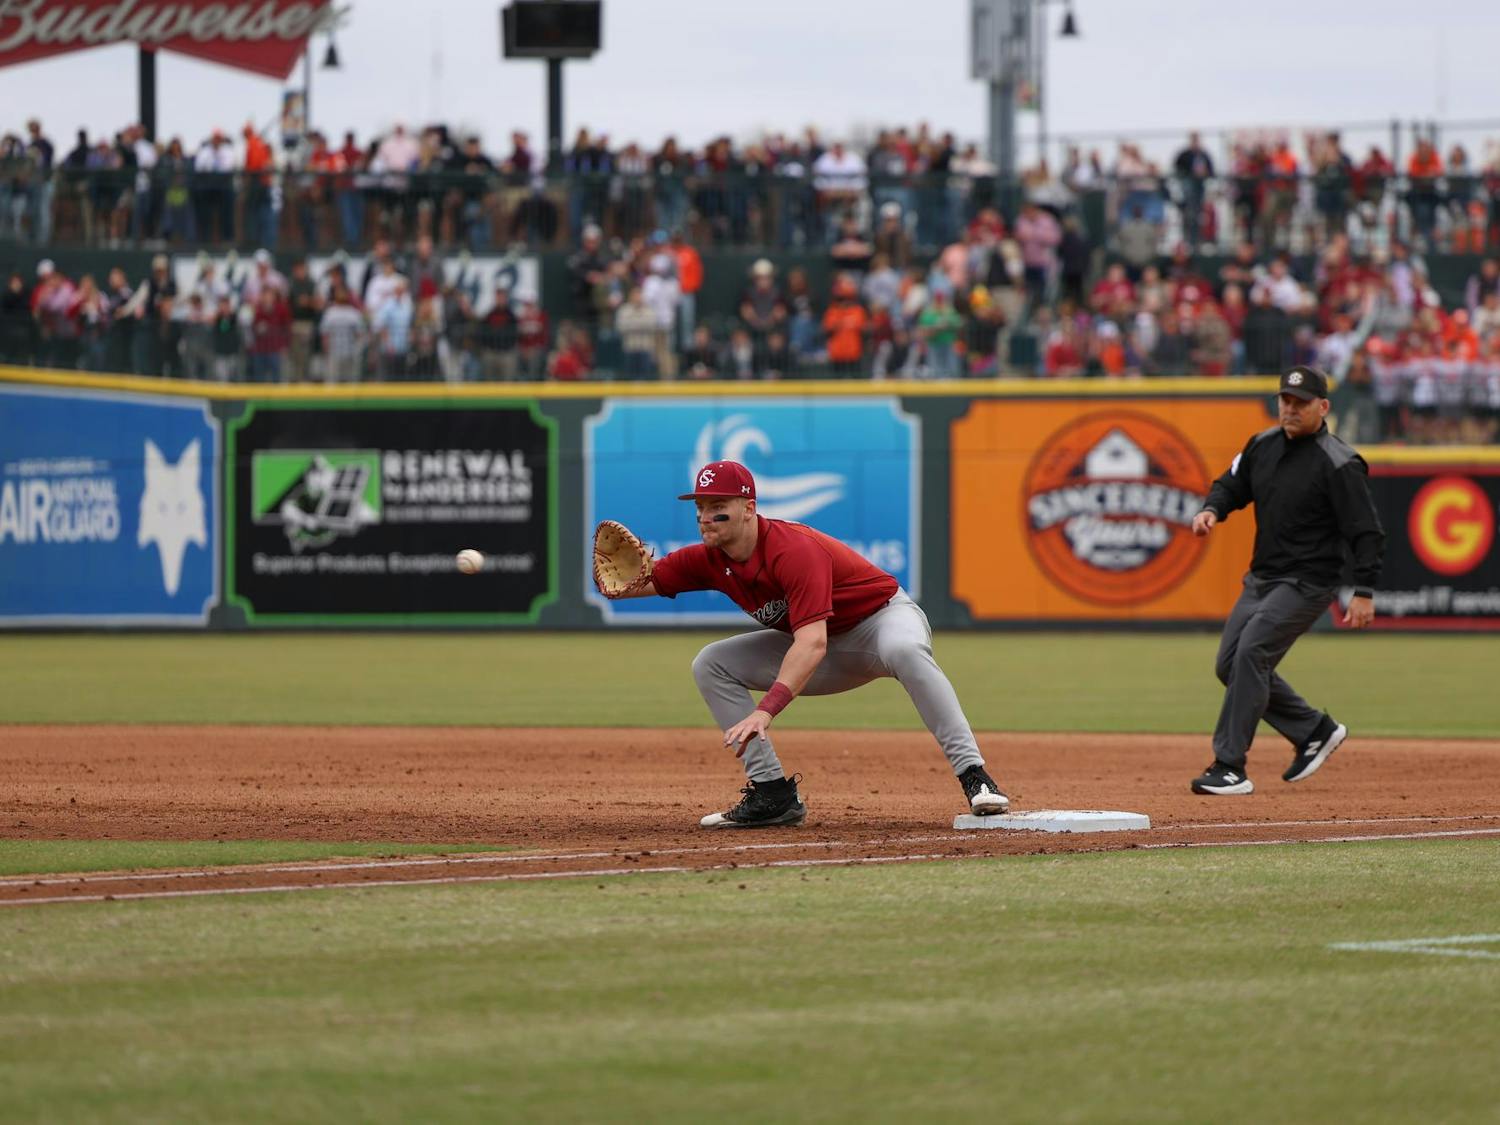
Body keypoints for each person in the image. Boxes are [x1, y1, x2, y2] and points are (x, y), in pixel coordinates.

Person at [599, 460, 1009, 828]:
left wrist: (766, 709)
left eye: (717, 505)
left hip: (880, 622)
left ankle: (975, 776)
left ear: (748, 508)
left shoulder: (793, 550)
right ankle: (773, 794)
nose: (706, 517)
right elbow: (637, 583)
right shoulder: (708, 558)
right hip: (825, 648)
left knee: (904, 651)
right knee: (711, 663)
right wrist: (617, 585)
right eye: (700, 508)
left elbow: (811, 642)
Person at [1188, 366, 1385, 796]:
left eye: (1301, 402)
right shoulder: (1262, 445)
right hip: (1262, 577)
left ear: (1323, 406)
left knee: (1252, 653)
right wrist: (1212, 509)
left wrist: (1364, 591)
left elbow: (1366, 532)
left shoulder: (1338, 462)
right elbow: (1231, 484)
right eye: (1286, 400)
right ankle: (1314, 728)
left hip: (1309, 582)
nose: (1290, 409)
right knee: (1229, 665)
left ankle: (1229, 765)